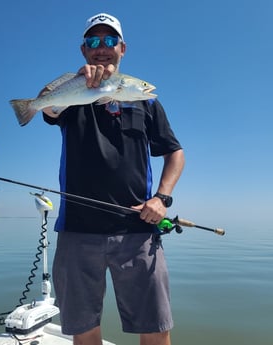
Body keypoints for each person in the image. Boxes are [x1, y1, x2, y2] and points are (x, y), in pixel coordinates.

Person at [42, 13, 185, 345]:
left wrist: (161, 198)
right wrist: (70, 83)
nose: (101, 48)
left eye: (109, 41)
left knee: (156, 326)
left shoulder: (146, 101)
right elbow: (46, 108)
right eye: (93, 41)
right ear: (83, 50)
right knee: (84, 329)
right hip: (77, 230)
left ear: (122, 48)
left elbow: (175, 152)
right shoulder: (72, 95)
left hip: (138, 229)